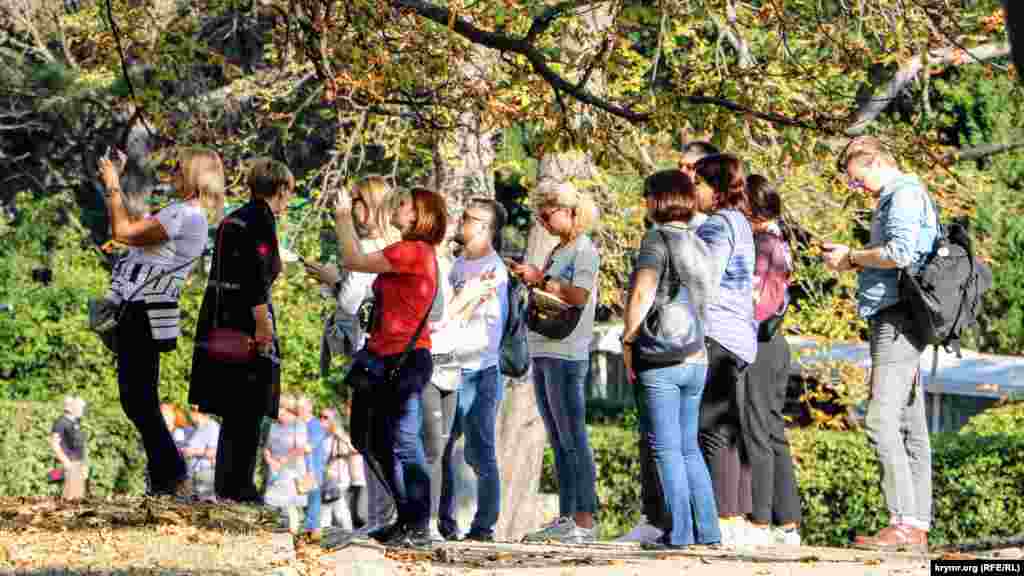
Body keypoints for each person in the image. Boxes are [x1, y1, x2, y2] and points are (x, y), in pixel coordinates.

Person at [825, 136, 937, 551]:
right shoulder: (904, 194)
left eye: (857, 179)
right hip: (901, 316)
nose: (857, 189)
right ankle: (917, 524)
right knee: (910, 424)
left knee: (880, 420)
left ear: (871, 160)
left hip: (897, 317)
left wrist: (852, 257)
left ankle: (902, 523)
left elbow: (901, 253)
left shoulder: (903, 195)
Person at [99, 147, 224, 497]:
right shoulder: (184, 214)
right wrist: (119, 184)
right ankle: (166, 477)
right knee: (137, 398)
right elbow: (136, 230)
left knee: (138, 398)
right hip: (144, 310)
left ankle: (172, 477)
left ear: (195, 176)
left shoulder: (185, 215)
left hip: (145, 311)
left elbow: (123, 230)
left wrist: (111, 184)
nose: (172, 174)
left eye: (179, 170)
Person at [334, 185, 448, 548]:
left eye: (403, 205)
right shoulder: (410, 252)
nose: (396, 209)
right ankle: (406, 517)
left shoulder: (412, 251)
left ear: (418, 216)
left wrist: (341, 218)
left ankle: (417, 525)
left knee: (403, 442)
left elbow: (352, 259)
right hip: (385, 356)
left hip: (405, 358)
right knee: (368, 438)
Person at [620, 141, 720, 544]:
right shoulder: (701, 242)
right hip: (696, 355)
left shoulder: (656, 239)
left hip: (660, 358)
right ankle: (708, 531)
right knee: (688, 447)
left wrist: (628, 340)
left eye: (647, 196)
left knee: (664, 448)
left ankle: (678, 533)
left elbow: (643, 293)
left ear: (658, 200)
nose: (644, 203)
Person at [189, 157, 294, 504]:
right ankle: (240, 488)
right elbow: (256, 278)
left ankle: (227, 486)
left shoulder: (231, 220)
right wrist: (264, 327)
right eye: (288, 193)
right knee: (248, 410)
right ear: (280, 190)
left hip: (222, 321)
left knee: (234, 412)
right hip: (248, 324)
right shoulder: (259, 220)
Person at [305, 176, 399, 533]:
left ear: (371, 204)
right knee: (367, 438)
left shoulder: (379, 246)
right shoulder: (372, 246)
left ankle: (388, 514)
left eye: (358, 202)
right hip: (367, 352)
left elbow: (350, 300)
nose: (354, 211)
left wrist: (333, 279)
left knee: (375, 438)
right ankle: (382, 515)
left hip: (381, 354)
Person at [511, 181, 601, 544]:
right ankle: (568, 517)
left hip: (567, 353)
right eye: (538, 216)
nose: (542, 222)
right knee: (559, 438)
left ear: (570, 212)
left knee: (574, 438)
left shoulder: (584, 250)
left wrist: (541, 279)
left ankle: (584, 519)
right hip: (544, 348)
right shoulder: (558, 249)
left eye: (547, 215)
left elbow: (579, 295)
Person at [694, 153, 757, 545]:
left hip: (718, 331)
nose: (694, 191)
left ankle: (719, 517)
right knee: (727, 429)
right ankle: (731, 516)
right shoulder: (740, 223)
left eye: (699, 183)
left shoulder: (718, 226)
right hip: (738, 335)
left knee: (711, 428)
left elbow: (705, 278)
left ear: (716, 190)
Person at [438, 198, 509, 542]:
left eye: (468, 218)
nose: (461, 221)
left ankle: (483, 527)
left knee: (479, 450)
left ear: (484, 227)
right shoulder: (458, 264)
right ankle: (444, 522)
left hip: (481, 372)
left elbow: (478, 324)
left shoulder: (494, 271)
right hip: (449, 367)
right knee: (441, 447)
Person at [741, 175, 802, 546]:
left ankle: (761, 518)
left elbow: (759, 304)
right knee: (773, 431)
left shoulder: (763, 244)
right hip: (775, 343)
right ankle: (787, 520)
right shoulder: (778, 241)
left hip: (760, 343)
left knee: (757, 428)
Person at [264, 395, 309, 533]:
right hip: (275, 469)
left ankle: (295, 534)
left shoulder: (298, 425)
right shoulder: (273, 426)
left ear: (285, 409)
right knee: (272, 501)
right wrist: (270, 460)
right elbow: (267, 447)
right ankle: (276, 529)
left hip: (292, 470)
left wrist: (284, 459)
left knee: (291, 506)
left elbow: (300, 448)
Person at [319, 408, 354, 531]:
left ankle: (349, 533)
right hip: (325, 479)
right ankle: (328, 533)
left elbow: (353, 450)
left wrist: (339, 434)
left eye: (325, 417)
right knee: (328, 509)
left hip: (339, 478)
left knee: (339, 510)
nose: (321, 420)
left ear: (333, 421)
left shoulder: (339, 436)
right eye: (321, 416)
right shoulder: (321, 437)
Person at [298, 395, 327, 540]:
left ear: (310, 408)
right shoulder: (300, 424)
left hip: (313, 470)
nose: (300, 411)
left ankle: (312, 531)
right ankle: (309, 531)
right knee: (304, 502)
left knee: (312, 502)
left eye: (302, 408)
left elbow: (308, 447)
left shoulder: (315, 425)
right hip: (303, 469)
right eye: (298, 409)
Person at [50, 396, 88, 500]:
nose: (82, 410)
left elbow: (80, 445)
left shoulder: (75, 422)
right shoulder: (60, 422)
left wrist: (84, 464)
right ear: (72, 407)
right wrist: (66, 462)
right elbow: (54, 444)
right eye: (80, 407)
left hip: (77, 463)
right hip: (69, 463)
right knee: (70, 498)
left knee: (78, 497)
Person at [182, 406, 220, 502]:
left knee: (206, 504)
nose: (189, 413)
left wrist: (193, 451)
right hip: (190, 475)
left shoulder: (212, 427)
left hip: (205, 473)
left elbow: (215, 452)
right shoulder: (190, 427)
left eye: (192, 410)